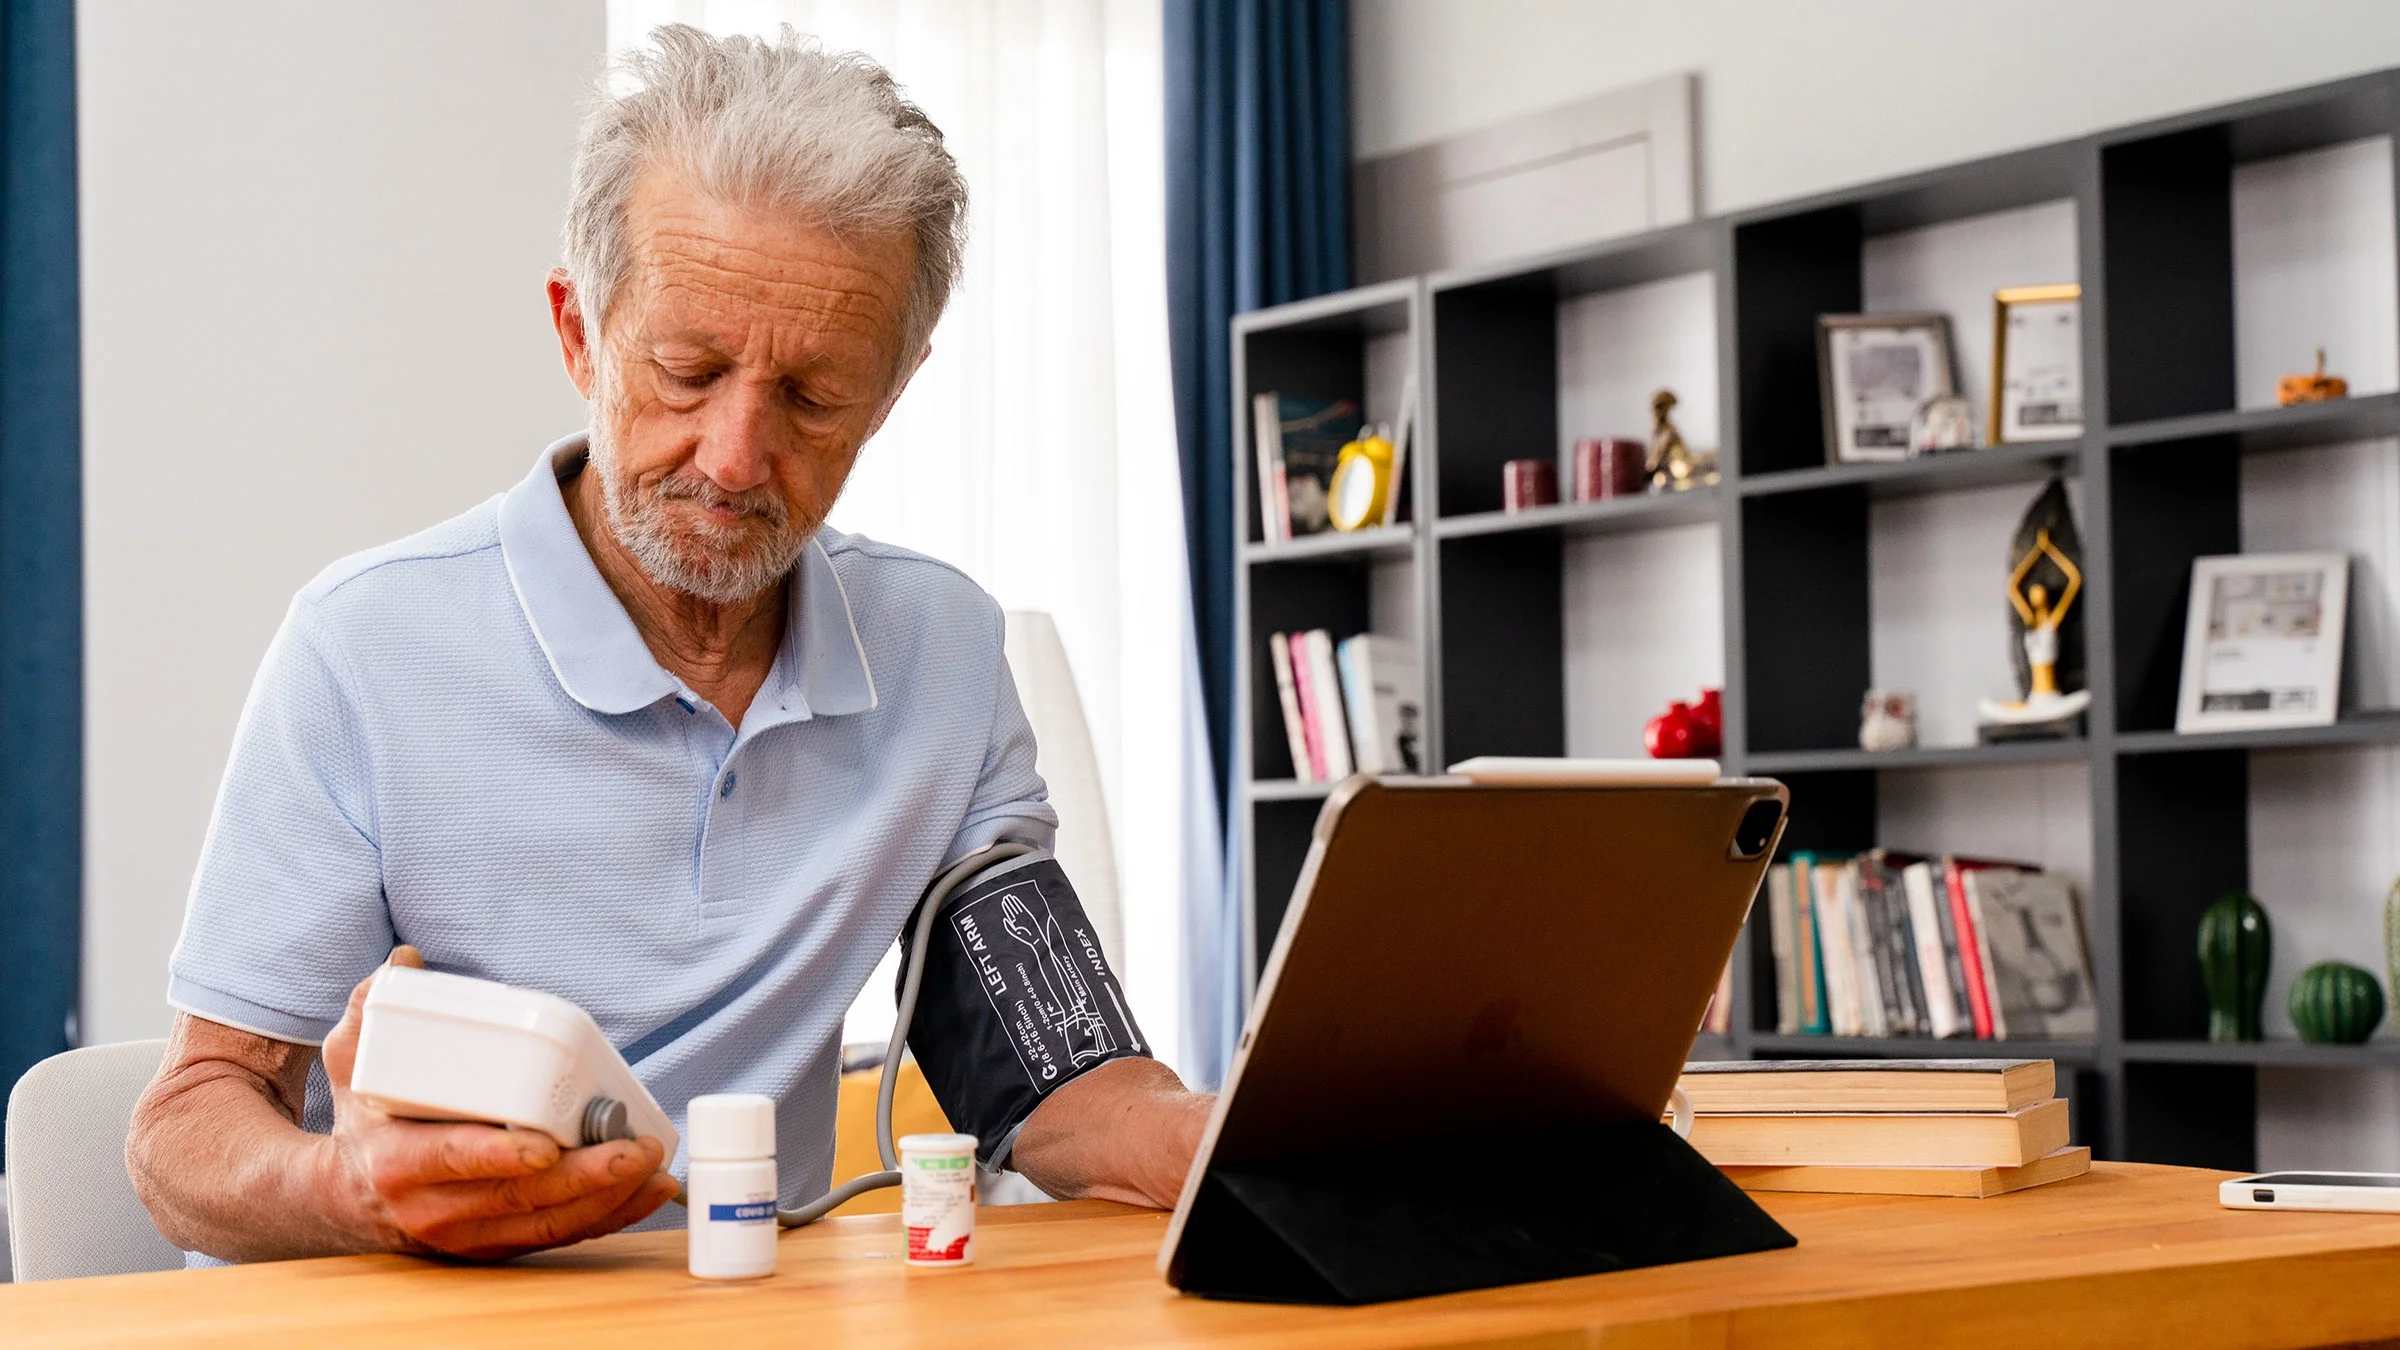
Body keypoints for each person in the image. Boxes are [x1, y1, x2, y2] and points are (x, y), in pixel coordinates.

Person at [125, 25, 1209, 1264]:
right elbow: (181, 1137)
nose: (737, 460)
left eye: (813, 396)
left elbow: (1057, 1077)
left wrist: (1236, 1132)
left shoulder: (942, 652)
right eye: (688, 372)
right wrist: (345, 1188)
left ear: (895, 388)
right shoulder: (362, 650)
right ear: (580, 334)